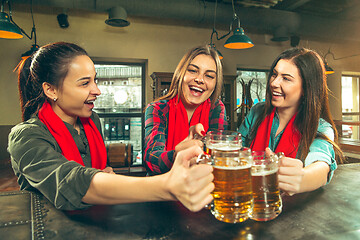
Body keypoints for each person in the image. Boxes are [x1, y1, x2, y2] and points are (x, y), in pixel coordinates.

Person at [7, 42, 214, 211]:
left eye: (94, 80)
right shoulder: (26, 136)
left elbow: (99, 173)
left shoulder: (92, 121)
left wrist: (105, 177)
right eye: (84, 83)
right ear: (51, 90)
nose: (97, 90)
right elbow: (71, 182)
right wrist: (167, 186)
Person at [239, 47, 344, 196]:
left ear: (306, 88)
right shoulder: (257, 111)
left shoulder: (320, 127)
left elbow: (321, 165)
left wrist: (302, 179)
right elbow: (235, 151)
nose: (274, 83)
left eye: (286, 78)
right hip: (249, 201)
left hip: (290, 210)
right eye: (274, 75)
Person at [144, 45, 228, 175]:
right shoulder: (157, 109)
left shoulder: (216, 108)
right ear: (180, 73)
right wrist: (177, 154)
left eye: (209, 76)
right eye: (193, 71)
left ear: (216, 83)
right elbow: (152, 160)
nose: (199, 80)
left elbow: (219, 156)